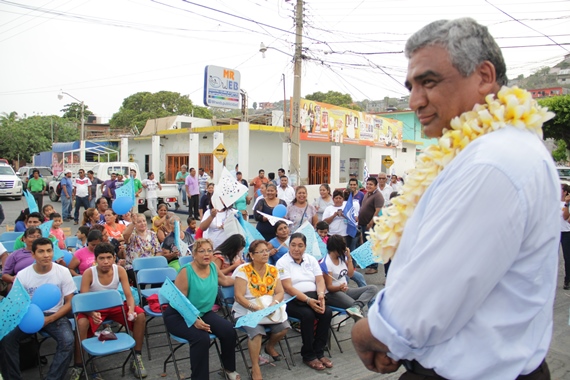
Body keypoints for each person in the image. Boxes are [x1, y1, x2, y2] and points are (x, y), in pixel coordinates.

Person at [352, 18, 559, 380]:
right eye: (411, 86)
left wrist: (370, 333)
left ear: (483, 75)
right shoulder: (485, 151)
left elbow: (425, 306)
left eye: (428, 82)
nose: (415, 100)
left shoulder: (494, 161)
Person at [162, 238, 240, 380]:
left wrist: (243, 278)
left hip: (203, 313)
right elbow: (179, 302)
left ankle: (228, 369)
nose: (207, 254)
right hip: (178, 315)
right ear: (194, 254)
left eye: (210, 251)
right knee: (201, 338)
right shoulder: (186, 271)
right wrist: (194, 320)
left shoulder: (213, 267)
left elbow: (226, 281)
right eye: (202, 251)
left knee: (228, 330)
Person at [0, 237, 75, 380]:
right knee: (7, 339)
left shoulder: (63, 272)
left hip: (54, 315)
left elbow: (70, 302)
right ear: (33, 255)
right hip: (27, 315)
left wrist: (49, 319)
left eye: (49, 251)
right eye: (41, 251)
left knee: (68, 341)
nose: (46, 255)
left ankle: (53, 378)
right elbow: (17, 303)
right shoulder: (23, 275)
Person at [75, 242, 147, 378]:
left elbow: (129, 296)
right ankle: (79, 365)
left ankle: (136, 357)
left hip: (115, 305)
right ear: (96, 260)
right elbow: (83, 300)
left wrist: (131, 309)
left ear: (114, 258)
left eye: (109, 257)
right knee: (81, 324)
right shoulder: (89, 273)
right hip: (94, 308)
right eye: (101, 258)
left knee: (141, 315)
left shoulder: (119, 270)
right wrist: (91, 313)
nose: (105, 261)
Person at [232, 240, 290, 380]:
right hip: (246, 310)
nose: (266, 253)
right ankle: (255, 366)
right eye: (261, 251)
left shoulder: (272, 269)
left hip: (268, 309)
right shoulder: (243, 270)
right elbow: (239, 297)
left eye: (267, 250)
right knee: (256, 332)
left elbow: (280, 292)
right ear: (252, 255)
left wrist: (273, 304)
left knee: (284, 327)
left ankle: (269, 346)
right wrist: (257, 308)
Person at [276, 232, 332, 371]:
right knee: (308, 315)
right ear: (289, 246)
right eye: (293, 245)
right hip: (292, 300)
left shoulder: (310, 259)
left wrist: (320, 295)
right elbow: (287, 287)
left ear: (305, 247)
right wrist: (308, 300)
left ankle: (319, 351)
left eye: (300, 246)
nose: (296, 249)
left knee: (326, 312)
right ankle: (308, 354)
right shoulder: (282, 262)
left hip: (313, 296)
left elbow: (320, 279)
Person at [320, 235, 377, 320]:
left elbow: (350, 274)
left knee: (372, 288)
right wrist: (339, 288)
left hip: (345, 290)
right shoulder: (327, 263)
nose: (345, 249)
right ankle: (361, 328)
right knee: (358, 312)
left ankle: (357, 306)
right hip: (332, 294)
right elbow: (329, 287)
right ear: (337, 248)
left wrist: (349, 258)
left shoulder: (341, 258)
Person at [122, 213, 161, 283]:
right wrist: (133, 223)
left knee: (160, 276)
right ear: (135, 224)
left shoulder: (152, 234)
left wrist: (154, 263)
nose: (142, 223)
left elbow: (158, 251)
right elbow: (125, 236)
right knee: (143, 277)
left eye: (144, 221)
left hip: (151, 265)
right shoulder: (132, 234)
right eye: (139, 222)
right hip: (134, 266)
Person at [358, 177, 384, 274]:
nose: (368, 186)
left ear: (376, 186)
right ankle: (368, 263)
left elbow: (377, 211)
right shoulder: (367, 194)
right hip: (364, 223)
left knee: (372, 245)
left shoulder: (378, 196)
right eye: (367, 184)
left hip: (371, 225)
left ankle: (374, 266)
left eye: (371, 184)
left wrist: (371, 222)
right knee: (366, 244)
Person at [560, 184, 570, 290]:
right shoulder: (553, 202)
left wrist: (566, 204)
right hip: (555, 232)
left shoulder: (568, 203)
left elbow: (566, 217)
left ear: (565, 192)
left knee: (567, 258)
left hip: (567, 233)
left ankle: (567, 280)